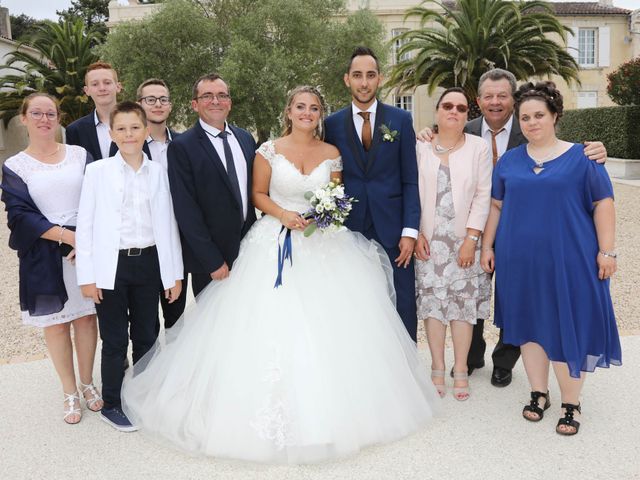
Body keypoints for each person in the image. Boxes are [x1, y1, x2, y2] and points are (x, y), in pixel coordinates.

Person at [121, 86, 439, 463]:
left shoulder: (332, 154)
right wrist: (284, 215)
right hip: (275, 240)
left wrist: (324, 216)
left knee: (335, 325)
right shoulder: (267, 149)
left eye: (314, 108)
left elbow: (336, 196)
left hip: (324, 246)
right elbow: (257, 193)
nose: (307, 113)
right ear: (288, 111)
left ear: (321, 113)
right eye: (300, 107)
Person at [417, 68, 608, 387]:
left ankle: (505, 360)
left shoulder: (530, 125)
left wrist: (597, 149)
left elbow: (561, 151)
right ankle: (472, 356)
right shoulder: (466, 127)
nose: (495, 102)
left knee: (517, 296)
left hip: (524, 230)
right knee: (472, 291)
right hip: (480, 230)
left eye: (502, 96)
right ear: (478, 101)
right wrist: (428, 133)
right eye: (488, 96)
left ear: (513, 100)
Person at [480, 81, 621, 436]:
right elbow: (496, 206)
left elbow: (603, 204)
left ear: (555, 115)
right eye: (525, 117)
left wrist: (607, 250)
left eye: (538, 115)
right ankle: (538, 393)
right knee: (527, 328)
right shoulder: (510, 161)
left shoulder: (584, 157)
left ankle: (571, 402)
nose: (531, 122)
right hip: (519, 263)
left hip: (569, 260)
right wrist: (487, 246)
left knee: (565, 324)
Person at [75, 101, 183, 432]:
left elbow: (167, 225)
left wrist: (173, 274)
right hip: (112, 268)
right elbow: (86, 225)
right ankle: (112, 403)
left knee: (147, 335)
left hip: (148, 263)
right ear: (112, 133)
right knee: (115, 339)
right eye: (121, 128)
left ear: (146, 131)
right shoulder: (97, 172)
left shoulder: (158, 173)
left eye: (135, 128)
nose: (128, 134)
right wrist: (88, 277)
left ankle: (143, 397)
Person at [0, 93, 102, 424]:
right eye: (37, 113)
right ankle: (69, 392)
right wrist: (66, 236)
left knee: (87, 319)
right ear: (24, 119)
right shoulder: (15, 165)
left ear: (58, 118)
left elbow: (97, 198)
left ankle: (88, 384)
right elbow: (19, 214)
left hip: (82, 251)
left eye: (51, 113)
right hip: (44, 252)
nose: (45, 119)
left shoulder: (79, 155)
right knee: (57, 324)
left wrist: (84, 239)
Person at [325, 46, 420, 341]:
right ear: (346, 80)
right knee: (355, 300)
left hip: (393, 227)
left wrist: (410, 231)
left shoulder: (401, 120)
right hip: (351, 227)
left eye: (370, 75)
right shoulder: (331, 124)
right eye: (357, 76)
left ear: (380, 79)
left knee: (402, 300)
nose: (364, 82)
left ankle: (407, 370)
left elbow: (410, 180)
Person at [414, 88, 492, 401]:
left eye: (461, 108)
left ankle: (460, 369)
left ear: (467, 114)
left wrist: (472, 239)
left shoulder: (479, 147)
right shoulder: (420, 146)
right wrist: (417, 232)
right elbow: (412, 191)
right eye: (448, 106)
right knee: (433, 305)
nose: (454, 112)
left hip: (464, 242)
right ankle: (436, 366)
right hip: (429, 241)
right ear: (437, 111)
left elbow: (483, 194)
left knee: (462, 306)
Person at [167, 73, 257, 296]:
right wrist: (212, 260)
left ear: (230, 102)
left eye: (221, 95)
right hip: (211, 262)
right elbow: (185, 209)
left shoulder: (245, 139)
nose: (215, 101)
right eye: (207, 96)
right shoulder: (182, 147)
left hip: (251, 252)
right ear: (195, 104)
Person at [136, 78, 187, 328]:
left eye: (163, 99)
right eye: (150, 99)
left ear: (170, 105)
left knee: (176, 318)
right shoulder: (127, 147)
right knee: (145, 324)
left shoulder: (184, 144)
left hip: (179, 241)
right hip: (144, 243)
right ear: (139, 104)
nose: (158, 104)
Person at [66, 61, 151, 160]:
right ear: (87, 90)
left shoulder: (138, 124)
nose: (102, 88)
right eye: (95, 84)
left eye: (107, 83)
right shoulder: (75, 130)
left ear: (118, 87)